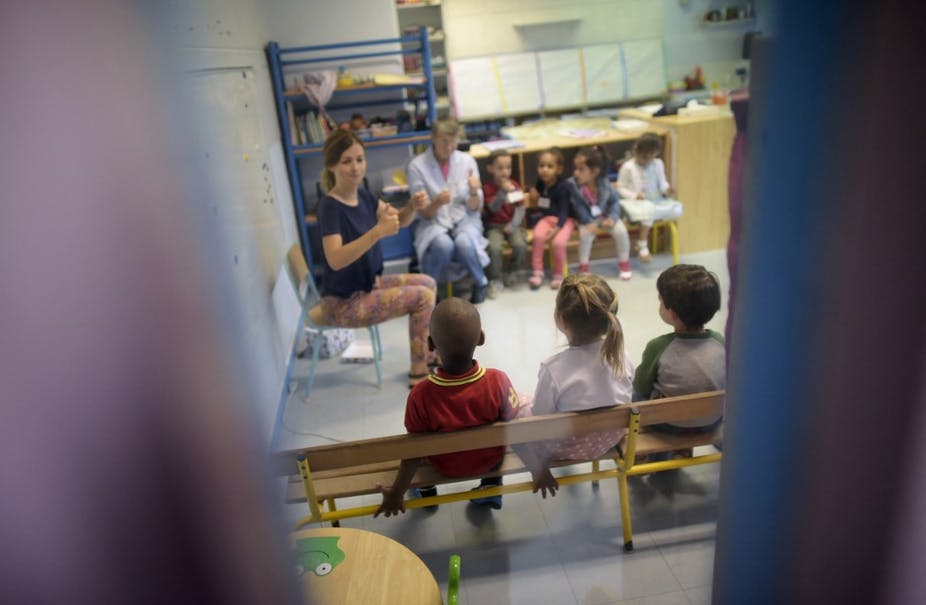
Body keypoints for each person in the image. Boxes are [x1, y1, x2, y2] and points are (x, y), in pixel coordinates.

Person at [375, 298, 522, 516]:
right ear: (480, 338)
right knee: (497, 435)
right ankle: (490, 488)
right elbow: (513, 421)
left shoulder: (420, 395)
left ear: (431, 344)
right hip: (488, 460)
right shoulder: (497, 381)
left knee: (422, 442)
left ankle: (426, 491)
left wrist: (397, 492)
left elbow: (414, 450)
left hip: (445, 465)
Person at [317, 130, 437, 389]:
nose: (355, 167)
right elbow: (335, 259)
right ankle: (419, 370)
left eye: (360, 159)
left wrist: (411, 207)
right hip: (344, 303)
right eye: (346, 161)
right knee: (423, 297)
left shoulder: (365, 197)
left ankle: (428, 354)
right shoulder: (330, 207)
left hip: (369, 284)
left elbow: (398, 222)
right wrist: (376, 233)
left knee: (427, 282)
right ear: (332, 165)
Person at [519, 274, 635, 497]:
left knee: (518, 406)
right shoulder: (621, 355)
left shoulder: (553, 369)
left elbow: (541, 418)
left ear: (560, 319)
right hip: (609, 437)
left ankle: (539, 467)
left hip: (564, 447)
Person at [633, 264, 725, 431]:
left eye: (660, 300)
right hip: (712, 421)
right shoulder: (720, 341)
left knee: (636, 392)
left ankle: (658, 454)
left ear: (673, 314)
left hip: (669, 424)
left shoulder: (658, 346)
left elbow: (641, 386)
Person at [407, 119, 490, 304]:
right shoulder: (417, 166)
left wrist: (475, 191)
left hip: (464, 218)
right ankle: (430, 291)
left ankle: (481, 283)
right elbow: (423, 213)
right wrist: (436, 203)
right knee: (443, 245)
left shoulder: (467, 161)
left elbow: (475, 207)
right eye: (444, 141)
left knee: (464, 243)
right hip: (433, 221)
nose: (450, 146)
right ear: (433, 139)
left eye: (453, 141)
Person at [616, 133, 684, 263]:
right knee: (648, 211)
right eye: (642, 156)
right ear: (635, 151)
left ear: (655, 154)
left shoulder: (658, 164)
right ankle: (642, 245)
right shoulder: (628, 167)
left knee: (677, 209)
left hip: (655, 200)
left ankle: (645, 235)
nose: (645, 160)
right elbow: (620, 188)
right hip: (634, 203)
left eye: (649, 157)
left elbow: (662, 183)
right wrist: (635, 195)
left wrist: (667, 189)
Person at [569, 145, 633, 282]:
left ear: (594, 172)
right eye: (576, 169)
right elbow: (577, 207)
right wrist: (588, 222)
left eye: (581, 170)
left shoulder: (604, 183)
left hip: (605, 217)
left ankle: (624, 262)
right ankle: (584, 267)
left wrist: (612, 218)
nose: (576, 173)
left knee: (621, 231)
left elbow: (615, 202)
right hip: (586, 219)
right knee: (585, 235)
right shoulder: (574, 185)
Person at [527, 148, 577, 291]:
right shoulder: (541, 183)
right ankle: (537, 272)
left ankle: (558, 275)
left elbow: (564, 210)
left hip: (565, 221)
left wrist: (557, 228)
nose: (544, 170)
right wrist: (532, 190)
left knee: (558, 243)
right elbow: (535, 190)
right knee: (537, 236)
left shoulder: (564, 187)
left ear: (559, 169)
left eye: (550, 166)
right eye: (541, 166)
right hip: (546, 219)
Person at [482, 149, 527, 298]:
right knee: (494, 248)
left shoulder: (515, 186)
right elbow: (492, 208)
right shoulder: (487, 189)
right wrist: (502, 192)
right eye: (500, 168)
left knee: (520, 244)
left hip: (512, 225)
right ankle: (495, 279)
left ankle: (512, 272)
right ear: (490, 169)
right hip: (494, 226)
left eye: (508, 167)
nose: (505, 172)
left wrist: (513, 225)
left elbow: (520, 209)